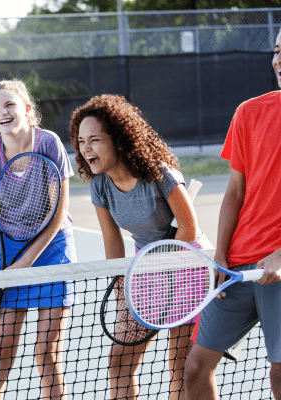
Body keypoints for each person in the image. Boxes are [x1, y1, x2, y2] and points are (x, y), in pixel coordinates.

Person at [69, 94, 212, 400]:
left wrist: (157, 264)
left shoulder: (160, 174)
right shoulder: (99, 185)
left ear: (119, 140)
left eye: (94, 139)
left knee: (180, 367)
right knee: (119, 361)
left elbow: (188, 229)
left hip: (187, 266)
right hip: (143, 267)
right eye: (81, 141)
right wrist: (119, 281)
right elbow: (112, 238)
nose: (86, 148)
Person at [184, 30, 281, 400]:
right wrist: (220, 255)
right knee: (195, 368)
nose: (278, 61)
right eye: (275, 52)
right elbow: (235, 192)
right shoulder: (249, 112)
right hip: (237, 269)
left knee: (280, 377)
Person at [0, 79, 78, 400]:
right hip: (10, 250)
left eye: (9, 105)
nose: (1, 113)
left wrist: (25, 264)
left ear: (27, 109)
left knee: (46, 352)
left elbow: (59, 214)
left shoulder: (48, 144)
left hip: (53, 248)